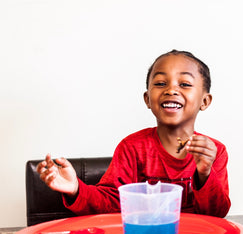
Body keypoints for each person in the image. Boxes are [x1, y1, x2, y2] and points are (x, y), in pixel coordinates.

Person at [37, 50, 231, 218]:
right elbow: (111, 203)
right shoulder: (132, 147)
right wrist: (77, 190)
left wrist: (205, 173)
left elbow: (217, 215)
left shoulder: (215, 152)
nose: (171, 89)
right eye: (161, 83)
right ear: (147, 99)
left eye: (185, 84)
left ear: (205, 101)